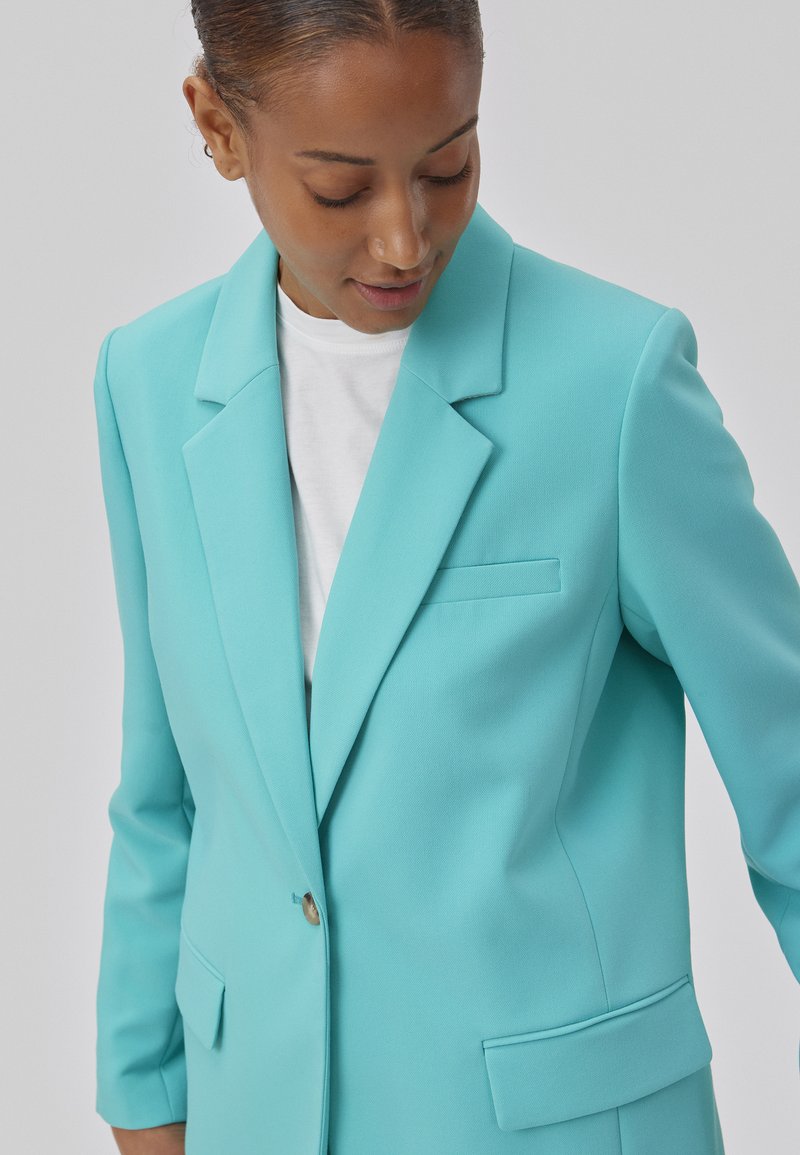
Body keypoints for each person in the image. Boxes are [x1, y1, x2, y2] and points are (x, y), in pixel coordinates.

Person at [92, 3, 800, 1154]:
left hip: (556, 1125)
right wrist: (145, 1089)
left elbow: (788, 765)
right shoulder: (147, 380)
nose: (404, 240)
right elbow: (165, 785)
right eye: (340, 190)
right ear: (216, 127)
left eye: (446, 167)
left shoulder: (611, 381)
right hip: (252, 1115)